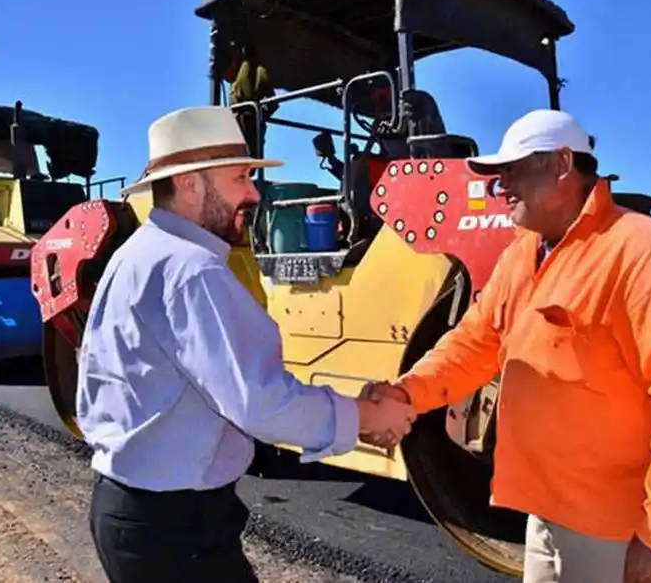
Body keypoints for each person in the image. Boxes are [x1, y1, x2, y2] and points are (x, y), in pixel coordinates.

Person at [362, 109, 651, 583]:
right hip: (544, 511)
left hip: (613, 525)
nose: (501, 187)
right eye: (498, 175)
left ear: (561, 164)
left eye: (514, 170)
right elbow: (475, 343)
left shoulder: (641, 252)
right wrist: (407, 393)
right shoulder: (524, 253)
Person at [77, 106, 415, 583]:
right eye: (239, 178)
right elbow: (261, 402)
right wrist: (369, 416)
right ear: (191, 184)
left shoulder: (138, 255)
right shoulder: (192, 270)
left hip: (140, 513)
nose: (254, 193)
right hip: (174, 531)